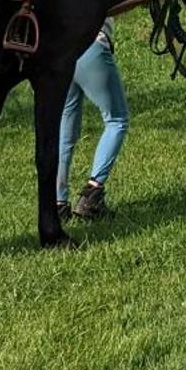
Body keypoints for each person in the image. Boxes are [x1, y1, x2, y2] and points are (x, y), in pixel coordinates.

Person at [58, 20, 130, 220]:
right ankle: (92, 194)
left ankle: (58, 203)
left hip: (62, 49)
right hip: (91, 45)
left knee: (65, 130)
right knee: (117, 119)